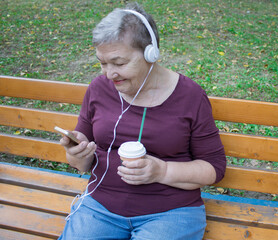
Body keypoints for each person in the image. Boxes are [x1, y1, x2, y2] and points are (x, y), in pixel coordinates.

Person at [58, 2, 226, 240]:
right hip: (100, 206)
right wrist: (77, 155)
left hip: (171, 211)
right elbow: (82, 162)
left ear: (151, 53)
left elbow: (214, 169)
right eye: (102, 63)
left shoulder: (190, 96)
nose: (109, 74)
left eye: (119, 63)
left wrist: (161, 171)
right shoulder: (99, 88)